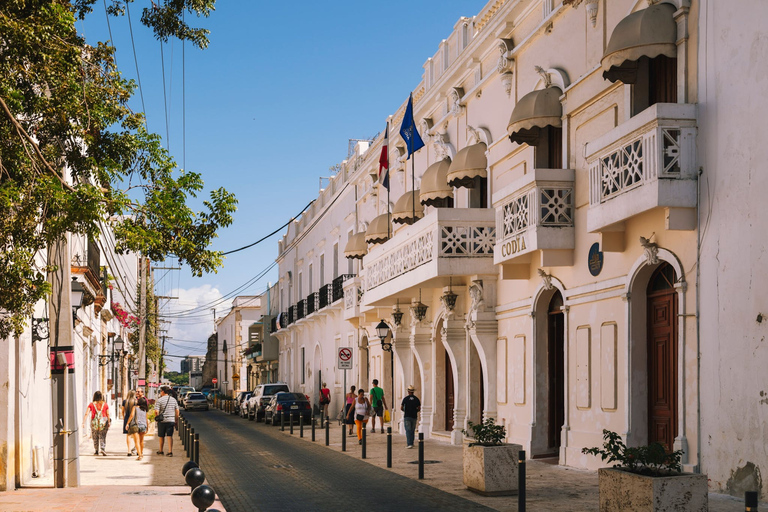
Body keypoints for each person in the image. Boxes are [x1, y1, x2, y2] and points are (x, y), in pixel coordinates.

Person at [83, 391, 110, 456]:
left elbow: (87, 413)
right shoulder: (105, 404)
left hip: (94, 422)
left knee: (95, 437)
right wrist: (108, 422)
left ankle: (96, 451)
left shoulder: (91, 404)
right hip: (103, 422)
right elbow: (108, 414)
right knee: (102, 436)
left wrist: (83, 422)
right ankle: (103, 449)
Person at [155, 386, 179, 456]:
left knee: (161, 436)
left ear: (163, 391)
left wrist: (157, 417)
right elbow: (177, 411)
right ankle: (170, 451)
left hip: (162, 421)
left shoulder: (160, 400)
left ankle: (161, 450)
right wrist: (176, 420)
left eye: (160, 391)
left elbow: (156, 411)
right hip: (171, 420)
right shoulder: (173, 400)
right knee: (169, 436)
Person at [127, 396, 148, 460]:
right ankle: (141, 453)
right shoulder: (144, 409)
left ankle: (140, 455)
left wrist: (127, 423)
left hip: (136, 425)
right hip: (143, 425)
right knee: (141, 441)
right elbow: (146, 419)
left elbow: (131, 415)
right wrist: (147, 427)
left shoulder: (135, 408)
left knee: (137, 441)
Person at [400, 385, 421, 449]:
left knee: (408, 430)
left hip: (407, 416)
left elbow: (401, 407)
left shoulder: (405, 399)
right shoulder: (416, 399)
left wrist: (405, 410)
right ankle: (412, 442)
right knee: (412, 430)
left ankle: (409, 443)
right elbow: (419, 408)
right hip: (414, 416)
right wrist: (415, 411)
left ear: (408, 392)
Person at [122, 390, 137, 456]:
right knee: (135, 435)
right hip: (135, 419)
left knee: (128, 435)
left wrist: (123, 418)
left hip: (126, 418)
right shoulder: (136, 402)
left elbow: (122, 411)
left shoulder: (125, 401)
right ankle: (136, 449)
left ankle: (129, 451)